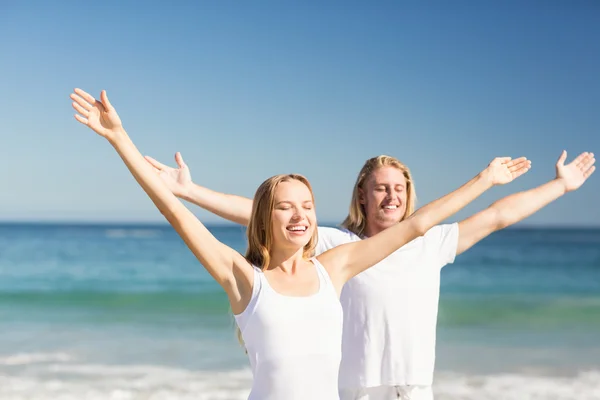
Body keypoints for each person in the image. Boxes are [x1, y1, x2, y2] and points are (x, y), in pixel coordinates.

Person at [145, 145, 593, 400]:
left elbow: (498, 215)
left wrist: (561, 185)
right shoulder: (336, 246)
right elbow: (264, 214)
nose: (392, 196)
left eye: (399, 189)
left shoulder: (430, 242)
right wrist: (192, 192)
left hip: (415, 389)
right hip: (354, 391)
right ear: (362, 194)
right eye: (381, 188)